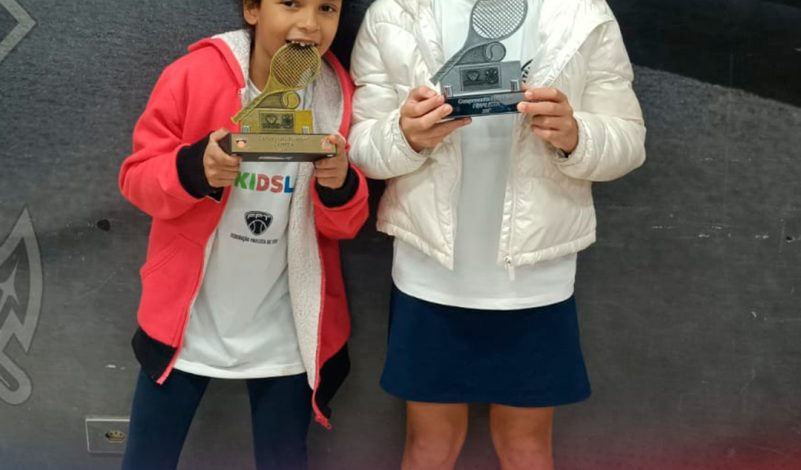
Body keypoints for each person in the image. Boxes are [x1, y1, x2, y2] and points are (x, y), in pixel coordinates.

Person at [349, 0, 646, 468]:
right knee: (428, 446)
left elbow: (628, 140)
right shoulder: (395, 12)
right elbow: (361, 146)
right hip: (429, 275)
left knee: (526, 448)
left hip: (536, 278)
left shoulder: (583, 12)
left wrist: (576, 135)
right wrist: (404, 136)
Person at [118, 0, 368, 468]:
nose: (309, 23)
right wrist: (194, 168)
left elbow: (345, 225)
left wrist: (340, 185)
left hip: (286, 333)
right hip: (185, 326)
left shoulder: (337, 96)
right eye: (290, 3)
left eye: (327, 8)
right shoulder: (191, 77)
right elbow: (136, 180)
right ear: (252, 9)